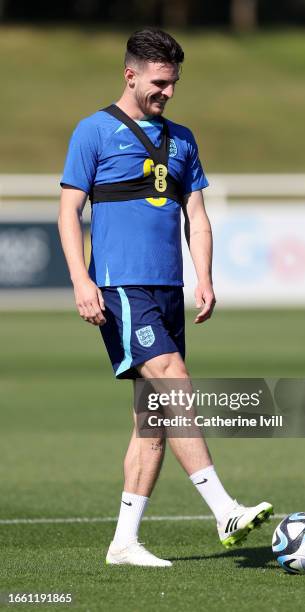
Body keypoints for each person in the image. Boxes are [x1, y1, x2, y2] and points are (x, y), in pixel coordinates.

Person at [58, 28, 273, 568]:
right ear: (130, 75)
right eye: (159, 82)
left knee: (152, 418)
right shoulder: (94, 132)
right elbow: (67, 211)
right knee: (173, 381)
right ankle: (224, 508)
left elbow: (196, 217)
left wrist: (205, 277)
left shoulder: (183, 140)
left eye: (174, 83)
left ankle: (124, 542)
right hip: (120, 286)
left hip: (167, 289)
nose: (168, 92)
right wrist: (82, 281)